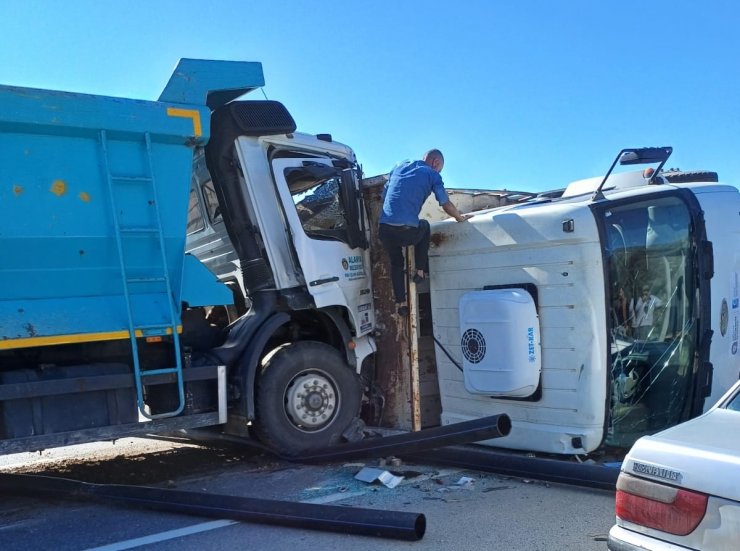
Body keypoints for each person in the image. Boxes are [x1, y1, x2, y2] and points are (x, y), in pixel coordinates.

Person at [379, 149, 470, 316]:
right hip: (406, 230)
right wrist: (460, 218)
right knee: (425, 225)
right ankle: (420, 271)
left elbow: (384, 196)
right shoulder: (432, 174)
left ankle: (401, 304)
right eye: (440, 168)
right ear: (435, 162)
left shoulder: (398, 167)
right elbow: (445, 204)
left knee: (397, 263)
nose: (439, 171)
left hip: (384, 229)